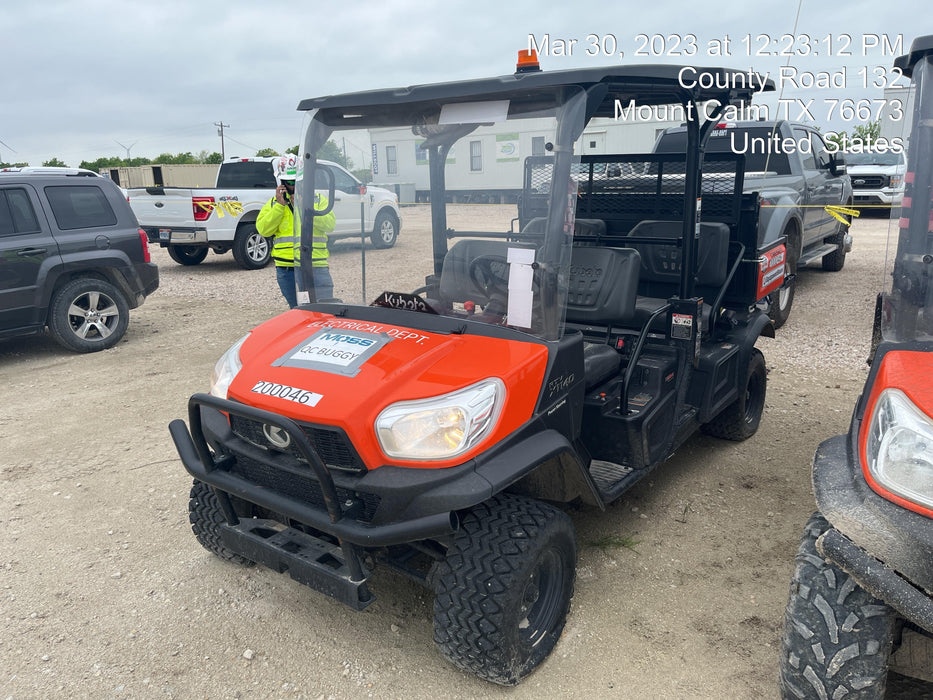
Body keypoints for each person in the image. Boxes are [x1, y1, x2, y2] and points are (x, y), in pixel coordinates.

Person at [256, 154, 336, 308]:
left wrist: (306, 207)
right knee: (298, 312)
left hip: (316, 266)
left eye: (296, 181)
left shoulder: (318, 200)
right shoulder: (274, 204)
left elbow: (330, 225)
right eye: (289, 182)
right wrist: (280, 206)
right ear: (282, 182)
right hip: (287, 271)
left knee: (326, 310)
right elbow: (263, 230)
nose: (293, 186)